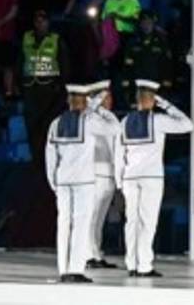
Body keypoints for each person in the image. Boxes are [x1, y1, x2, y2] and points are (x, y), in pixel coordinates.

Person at [115, 79, 193, 278]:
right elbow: (187, 124)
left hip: (129, 177)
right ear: (152, 100)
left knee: (131, 222)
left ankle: (131, 264)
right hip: (150, 177)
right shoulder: (158, 119)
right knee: (147, 222)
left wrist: (119, 181)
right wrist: (166, 105)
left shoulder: (124, 121)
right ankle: (144, 266)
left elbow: (118, 153)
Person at [45, 84, 101, 284]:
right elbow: (113, 129)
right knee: (80, 224)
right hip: (83, 180)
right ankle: (75, 269)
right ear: (84, 101)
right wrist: (96, 107)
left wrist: (54, 182)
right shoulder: (90, 121)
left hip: (62, 180)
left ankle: (64, 268)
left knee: (64, 224)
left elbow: (50, 156)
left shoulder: (56, 123)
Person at [85, 81, 121, 271]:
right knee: (91, 217)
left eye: (109, 97)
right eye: (105, 97)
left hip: (109, 175)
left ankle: (96, 253)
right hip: (96, 175)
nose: (110, 101)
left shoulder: (109, 118)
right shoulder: (91, 118)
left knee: (99, 218)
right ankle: (88, 255)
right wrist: (95, 103)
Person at [22, 9, 67, 161]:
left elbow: (64, 63)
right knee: (32, 124)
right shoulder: (26, 38)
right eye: (38, 21)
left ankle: (49, 155)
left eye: (43, 21)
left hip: (50, 87)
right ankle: (35, 156)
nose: (40, 24)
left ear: (48, 23)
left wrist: (61, 85)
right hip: (31, 86)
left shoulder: (56, 39)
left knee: (48, 123)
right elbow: (20, 61)